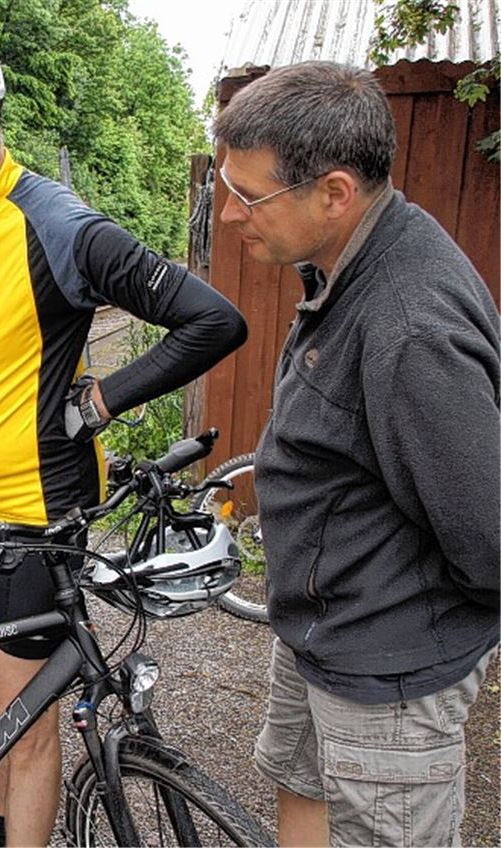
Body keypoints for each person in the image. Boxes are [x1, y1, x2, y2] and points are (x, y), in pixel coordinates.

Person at [0, 31, 247, 846]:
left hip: (36, 518)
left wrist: (103, 400)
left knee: (28, 723)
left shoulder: (60, 226)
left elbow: (213, 319)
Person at [213, 61, 500, 847]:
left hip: (387, 670)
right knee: (299, 786)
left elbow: (490, 538)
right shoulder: (350, 260)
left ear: (334, 192)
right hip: (321, 632)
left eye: (248, 194)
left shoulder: (409, 326)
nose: (229, 213)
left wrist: (406, 619)